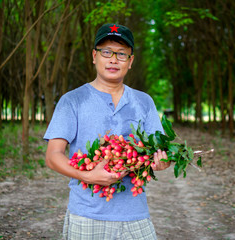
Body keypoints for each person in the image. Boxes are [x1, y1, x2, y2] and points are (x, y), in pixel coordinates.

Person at [44, 23, 170, 240]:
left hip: (135, 215)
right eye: (106, 52)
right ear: (94, 56)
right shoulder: (72, 101)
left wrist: (163, 161)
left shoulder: (144, 102)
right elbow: (53, 155)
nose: (113, 59)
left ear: (130, 61)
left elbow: (160, 152)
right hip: (86, 215)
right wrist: (88, 175)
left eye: (121, 54)